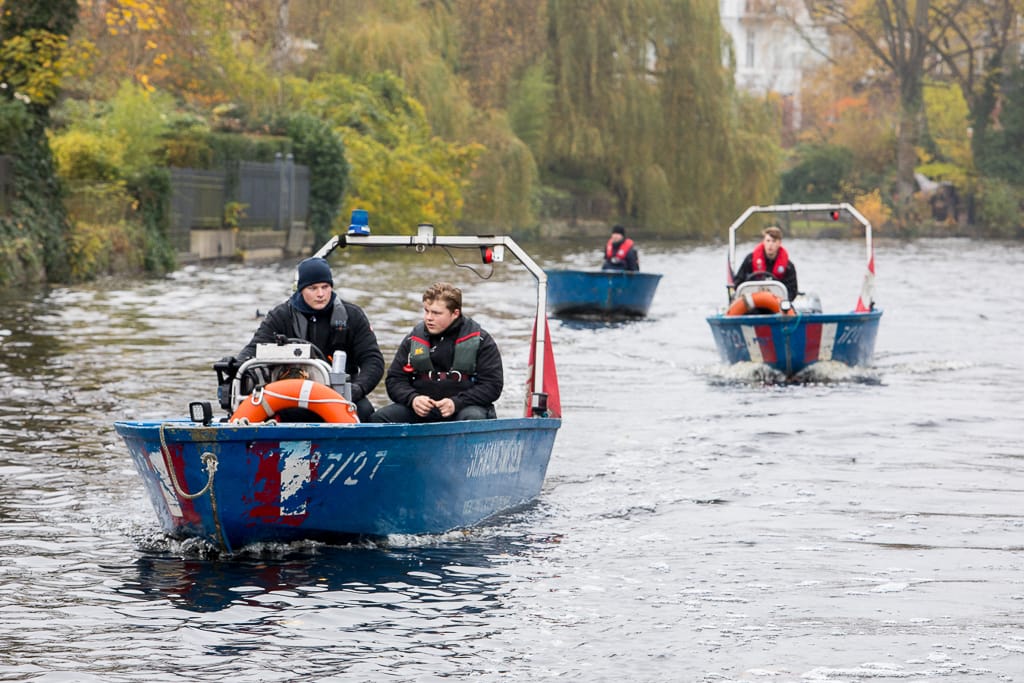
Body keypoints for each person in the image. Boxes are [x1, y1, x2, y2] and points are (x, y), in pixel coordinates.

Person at [237, 256, 384, 422]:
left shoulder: (352, 316)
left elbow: (373, 360)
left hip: (338, 396)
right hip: (290, 395)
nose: (320, 294)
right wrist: (236, 364)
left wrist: (358, 388)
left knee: (364, 410)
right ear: (301, 290)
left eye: (325, 287)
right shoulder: (281, 316)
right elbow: (254, 348)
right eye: (313, 288)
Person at [370, 282, 503, 423]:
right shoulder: (413, 339)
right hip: (423, 410)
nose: (429, 317)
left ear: (455, 313)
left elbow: (492, 385)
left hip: (464, 407)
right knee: (379, 418)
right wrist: (412, 399)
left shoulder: (481, 340)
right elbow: (394, 380)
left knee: (473, 419)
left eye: (436, 313)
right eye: (426, 311)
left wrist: (456, 403)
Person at [733, 225, 799, 300]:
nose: (770, 244)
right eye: (768, 241)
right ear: (763, 241)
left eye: (774, 241)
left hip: (776, 304)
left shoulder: (788, 266)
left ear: (779, 243)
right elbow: (738, 282)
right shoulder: (750, 260)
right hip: (752, 302)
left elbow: (792, 290)